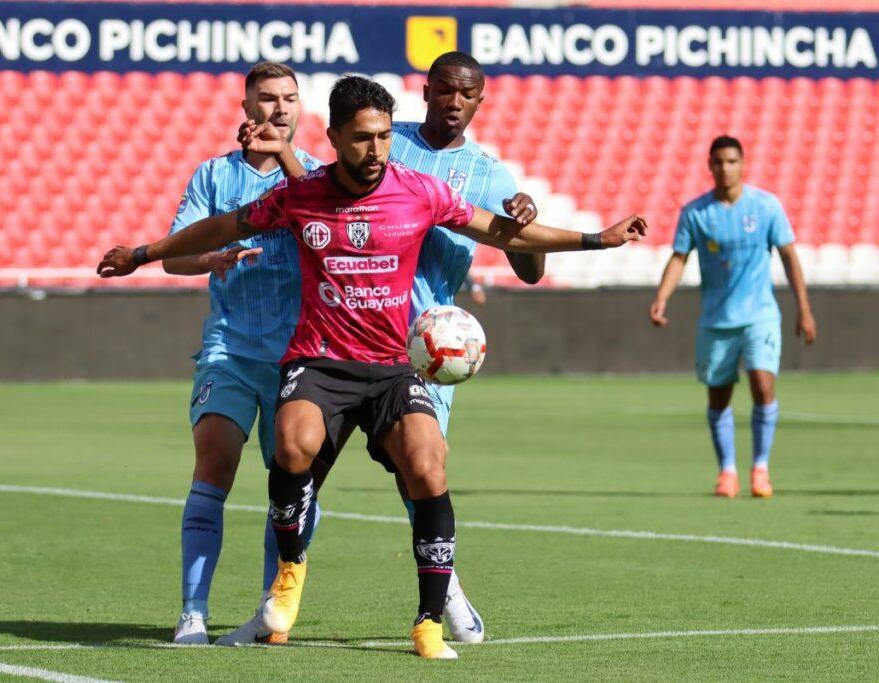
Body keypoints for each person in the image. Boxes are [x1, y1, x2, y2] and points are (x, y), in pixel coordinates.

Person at [98, 75, 647, 658]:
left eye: (385, 136)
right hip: (321, 360)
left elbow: (499, 230)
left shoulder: (421, 191)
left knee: (429, 466)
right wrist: (142, 253)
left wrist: (595, 239)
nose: (376, 150)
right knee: (291, 446)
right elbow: (224, 226)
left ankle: (430, 620)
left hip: (391, 366)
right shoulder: (299, 194)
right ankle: (287, 578)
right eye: (362, 139)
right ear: (334, 137)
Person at [231, 50, 540, 645]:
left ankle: (440, 599)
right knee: (300, 474)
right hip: (341, 334)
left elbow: (525, 263)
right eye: (444, 90)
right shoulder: (383, 135)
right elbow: (316, 196)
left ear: (480, 101)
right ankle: (276, 603)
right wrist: (282, 153)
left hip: (429, 350)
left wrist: (531, 224)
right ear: (425, 92)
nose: (454, 102)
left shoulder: (493, 174)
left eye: (466, 94)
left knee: (422, 471)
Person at [165, 61, 324, 645]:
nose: (279, 107)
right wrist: (211, 259)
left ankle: (273, 608)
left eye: (289, 98)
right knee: (213, 464)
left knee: (291, 480)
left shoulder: (317, 177)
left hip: (300, 353)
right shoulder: (212, 176)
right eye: (267, 98)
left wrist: (284, 157)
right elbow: (174, 253)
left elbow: (321, 222)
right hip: (230, 345)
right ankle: (193, 611)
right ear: (246, 107)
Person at [650, 135, 816, 499]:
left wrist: (804, 309)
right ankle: (727, 472)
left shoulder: (766, 207)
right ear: (710, 166)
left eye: (731, 161)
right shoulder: (696, 212)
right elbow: (679, 257)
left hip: (759, 316)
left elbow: (789, 256)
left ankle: (760, 469)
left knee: (763, 384)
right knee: (719, 397)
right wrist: (662, 296)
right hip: (716, 320)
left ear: (742, 164)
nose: (725, 168)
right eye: (719, 162)